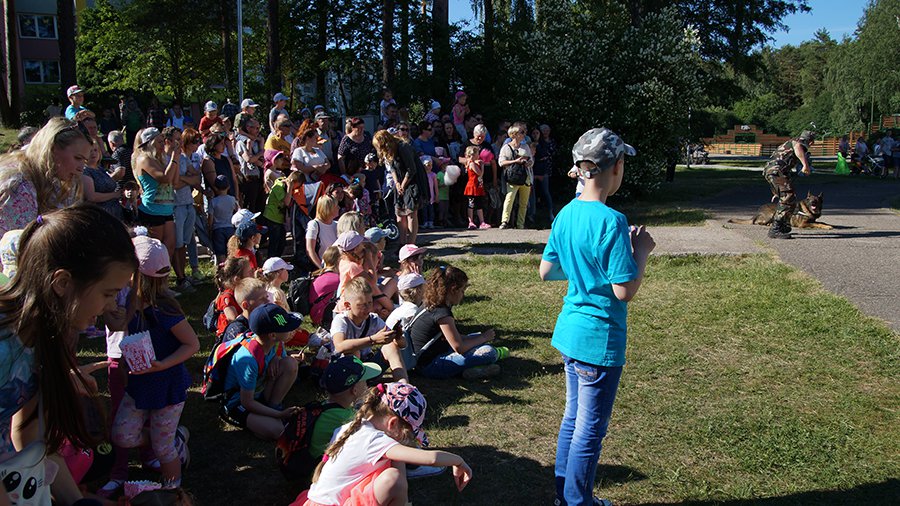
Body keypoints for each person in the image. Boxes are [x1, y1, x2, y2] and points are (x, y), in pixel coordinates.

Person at [539, 127, 655, 506]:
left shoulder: (566, 214)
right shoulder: (613, 222)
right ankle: (577, 502)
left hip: (570, 333)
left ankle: (565, 496)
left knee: (573, 419)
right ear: (617, 167)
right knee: (589, 429)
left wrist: (582, 268)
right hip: (598, 339)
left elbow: (546, 270)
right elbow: (625, 290)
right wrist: (642, 251)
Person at [1, 205, 138, 506]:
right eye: (107, 293)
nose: (111, 306)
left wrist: (77, 501)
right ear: (62, 283)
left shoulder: (47, 337)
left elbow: (30, 433)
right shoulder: (4, 345)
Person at [296, 383, 472, 506]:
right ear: (393, 423)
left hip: (313, 501)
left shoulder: (352, 427)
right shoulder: (374, 440)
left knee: (392, 468)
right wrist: (458, 461)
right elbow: (431, 458)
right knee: (393, 479)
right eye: (409, 433)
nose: (409, 439)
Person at [113, 235, 198, 490]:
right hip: (139, 382)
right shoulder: (129, 300)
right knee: (122, 434)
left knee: (163, 449)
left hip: (166, 384)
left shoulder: (165, 308)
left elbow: (192, 344)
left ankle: (173, 490)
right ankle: (174, 437)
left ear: (136, 273)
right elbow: (118, 327)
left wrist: (163, 364)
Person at [405, 266, 506, 379]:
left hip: (430, 354)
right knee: (488, 352)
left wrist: (477, 338)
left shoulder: (429, 304)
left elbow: (452, 338)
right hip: (430, 366)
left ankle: (470, 370)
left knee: (474, 337)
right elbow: (459, 347)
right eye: (462, 290)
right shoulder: (442, 314)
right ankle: (477, 367)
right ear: (453, 289)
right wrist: (484, 337)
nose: (463, 295)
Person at [219, 303, 301, 440]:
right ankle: (270, 416)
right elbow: (247, 402)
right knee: (278, 430)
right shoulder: (247, 360)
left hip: (258, 387)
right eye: (287, 328)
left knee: (290, 364)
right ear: (273, 335)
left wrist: (276, 357)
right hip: (238, 402)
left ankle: (273, 407)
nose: (291, 330)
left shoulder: (268, 341)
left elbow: (278, 358)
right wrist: (279, 416)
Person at [0, 117, 90, 241]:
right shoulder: (18, 185)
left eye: (84, 161)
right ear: (52, 149)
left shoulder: (59, 178)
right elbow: (18, 249)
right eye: (78, 158)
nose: (81, 168)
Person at [330, 275, 408, 382]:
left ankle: (404, 387)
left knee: (391, 346)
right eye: (361, 305)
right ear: (348, 305)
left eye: (370, 303)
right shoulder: (341, 320)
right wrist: (373, 340)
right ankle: (356, 389)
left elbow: (403, 345)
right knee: (354, 352)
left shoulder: (373, 319)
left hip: (367, 366)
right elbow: (339, 346)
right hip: (343, 371)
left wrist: (397, 336)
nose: (368, 308)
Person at [309, 357, 382, 464]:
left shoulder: (326, 406)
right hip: (320, 465)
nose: (367, 385)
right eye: (365, 381)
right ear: (355, 390)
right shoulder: (346, 418)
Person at [134, 127, 180, 257]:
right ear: (150, 143)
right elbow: (165, 179)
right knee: (155, 249)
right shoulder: (144, 159)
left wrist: (176, 159)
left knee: (169, 247)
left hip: (167, 208)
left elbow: (174, 181)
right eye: (159, 142)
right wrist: (174, 159)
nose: (162, 145)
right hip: (152, 209)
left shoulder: (161, 159)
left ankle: (163, 276)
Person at [372, 130, 423, 245]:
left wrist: (403, 184)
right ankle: (402, 243)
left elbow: (411, 169)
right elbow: (392, 168)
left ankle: (411, 244)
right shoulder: (389, 152)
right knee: (399, 214)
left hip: (412, 182)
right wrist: (397, 183)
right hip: (399, 182)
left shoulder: (403, 147)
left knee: (411, 213)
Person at [762, 130, 815, 239]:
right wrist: (805, 165)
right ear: (809, 141)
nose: (811, 144)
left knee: (790, 198)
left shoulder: (792, 144)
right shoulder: (797, 143)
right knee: (788, 197)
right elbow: (798, 147)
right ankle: (775, 228)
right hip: (776, 171)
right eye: (811, 141)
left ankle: (783, 224)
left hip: (775, 172)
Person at [172, 128, 203, 291]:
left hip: (188, 203)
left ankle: (186, 274)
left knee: (185, 242)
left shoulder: (184, 158)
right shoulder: (170, 159)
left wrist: (183, 178)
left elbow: (196, 177)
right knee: (177, 244)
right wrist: (187, 180)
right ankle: (180, 277)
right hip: (176, 206)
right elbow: (174, 183)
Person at [498, 124, 533, 229]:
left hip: (525, 176)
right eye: (522, 132)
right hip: (512, 177)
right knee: (509, 198)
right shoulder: (506, 147)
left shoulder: (525, 146)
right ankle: (505, 221)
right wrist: (516, 161)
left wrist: (528, 162)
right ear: (514, 134)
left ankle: (520, 224)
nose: (524, 134)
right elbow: (501, 162)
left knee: (524, 202)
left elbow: (531, 160)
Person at [261, 170, 301, 259]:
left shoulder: (284, 184)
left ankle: (277, 259)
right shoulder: (279, 186)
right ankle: (271, 260)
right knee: (274, 242)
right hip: (272, 217)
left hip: (279, 218)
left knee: (281, 241)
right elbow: (286, 202)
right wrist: (290, 188)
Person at [81, 137, 123, 221]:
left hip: (114, 212)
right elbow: (91, 197)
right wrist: (115, 195)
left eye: (95, 150)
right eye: (90, 151)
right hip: (100, 215)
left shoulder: (99, 168)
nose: (93, 153)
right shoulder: (85, 171)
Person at [213, 257, 253, 339]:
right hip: (231, 336)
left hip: (245, 330)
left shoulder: (243, 291)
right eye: (250, 272)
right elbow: (232, 319)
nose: (253, 273)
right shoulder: (227, 297)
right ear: (237, 279)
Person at [221, 277, 270, 343]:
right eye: (261, 299)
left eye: (266, 296)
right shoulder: (238, 329)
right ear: (246, 305)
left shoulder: (267, 318)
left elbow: (285, 332)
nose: (267, 301)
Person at [234, 118, 266, 212]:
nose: (257, 131)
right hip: (247, 178)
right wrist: (260, 153)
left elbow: (261, 160)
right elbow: (249, 159)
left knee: (258, 207)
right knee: (248, 207)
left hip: (258, 177)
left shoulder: (257, 142)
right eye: (255, 128)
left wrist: (260, 148)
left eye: (258, 128)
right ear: (248, 128)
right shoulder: (241, 143)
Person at [209, 175, 239, 264]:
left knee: (220, 252)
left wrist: (209, 228)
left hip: (217, 228)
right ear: (228, 186)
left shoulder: (213, 201)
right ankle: (231, 267)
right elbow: (237, 212)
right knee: (231, 250)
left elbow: (210, 217)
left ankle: (222, 269)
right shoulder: (232, 200)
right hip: (230, 227)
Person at [531, 124, 557, 223]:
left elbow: (544, 155)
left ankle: (550, 213)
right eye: (533, 133)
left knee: (546, 192)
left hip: (542, 170)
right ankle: (532, 214)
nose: (535, 135)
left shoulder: (544, 143)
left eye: (537, 133)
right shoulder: (529, 143)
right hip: (533, 169)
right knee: (532, 193)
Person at [306, 195, 340, 270]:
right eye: (336, 206)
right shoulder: (314, 224)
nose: (339, 208)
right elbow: (310, 249)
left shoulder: (337, 224)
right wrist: (322, 268)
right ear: (328, 208)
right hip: (323, 268)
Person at [463, 146, 491, 230]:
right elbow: (480, 174)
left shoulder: (473, 163)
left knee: (479, 204)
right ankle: (470, 222)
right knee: (471, 204)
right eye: (477, 154)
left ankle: (482, 222)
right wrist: (482, 166)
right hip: (472, 186)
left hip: (477, 186)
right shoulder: (471, 163)